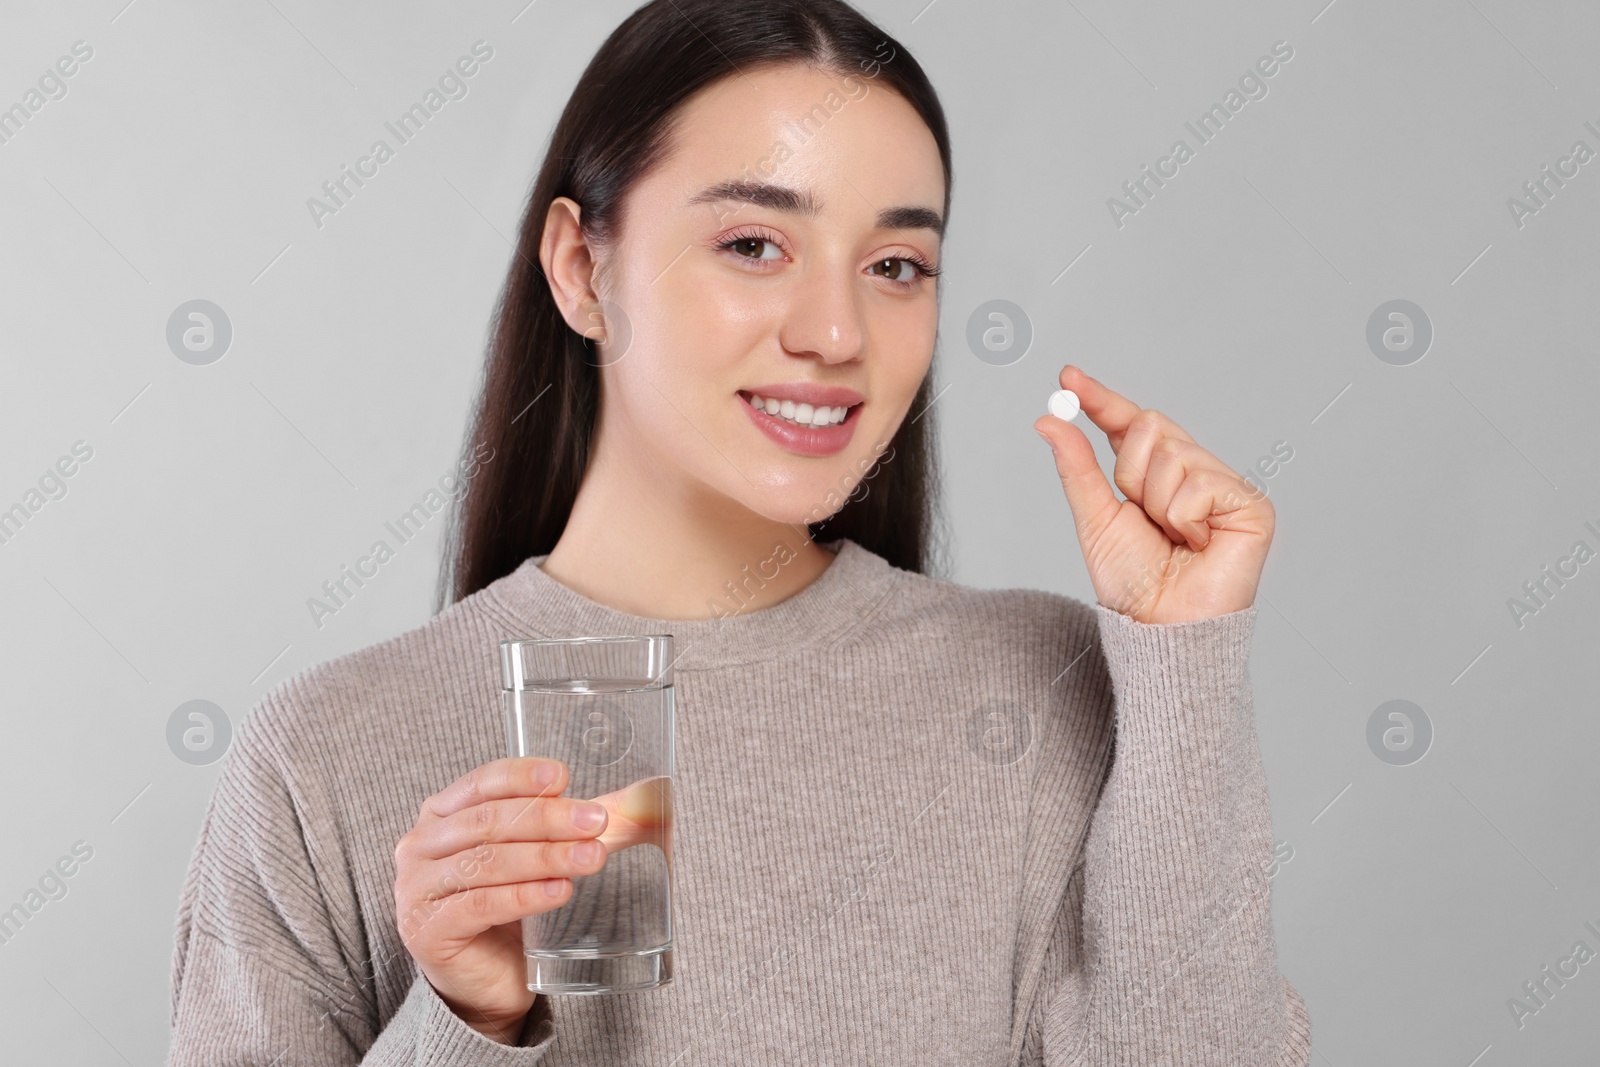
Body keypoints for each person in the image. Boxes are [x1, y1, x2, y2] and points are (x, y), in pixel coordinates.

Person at [165, 1, 1311, 1063]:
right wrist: (468, 1017)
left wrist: (1184, 671)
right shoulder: (323, 756)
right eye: (754, 244)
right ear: (580, 267)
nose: (834, 329)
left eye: (896, 265)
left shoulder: (1049, 687)